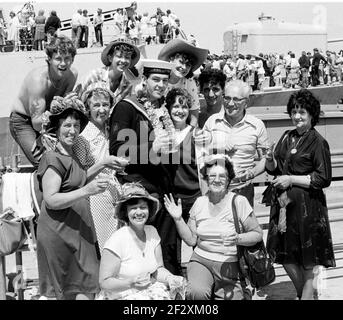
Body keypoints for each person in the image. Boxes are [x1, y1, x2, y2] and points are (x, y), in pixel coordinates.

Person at [36, 95, 124, 300]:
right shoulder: (52, 158)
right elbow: (51, 199)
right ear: (56, 129)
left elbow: (82, 177)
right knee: (72, 292)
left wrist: (104, 163)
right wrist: (88, 191)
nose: (73, 131)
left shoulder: (70, 156)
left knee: (87, 289)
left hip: (78, 232)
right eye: (67, 126)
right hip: (59, 234)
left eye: (76, 125)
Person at [109, 59, 181, 274]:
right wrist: (152, 146)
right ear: (144, 80)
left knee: (167, 251)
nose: (160, 85)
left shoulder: (163, 110)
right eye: (155, 79)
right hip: (140, 191)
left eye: (164, 81)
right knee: (141, 253)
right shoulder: (126, 107)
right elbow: (117, 149)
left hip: (164, 190)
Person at [264, 89, 336, 300]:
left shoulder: (318, 142)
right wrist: (269, 158)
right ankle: (305, 293)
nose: (297, 116)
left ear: (312, 114)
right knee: (286, 256)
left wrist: (291, 179)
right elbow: (274, 169)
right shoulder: (287, 136)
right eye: (294, 111)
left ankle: (305, 296)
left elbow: (323, 178)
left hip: (308, 209)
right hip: (285, 207)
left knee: (308, 258)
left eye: (302, 112)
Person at [164, 154, 263, 300]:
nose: (217, 180)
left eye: (222, 176)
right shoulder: (199, 202)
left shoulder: (239, 201)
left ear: (229, 179)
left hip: (231, 263)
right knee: (196, 293)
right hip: (201, 260)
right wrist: (178, 219)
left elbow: (257, 234)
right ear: (206, 179)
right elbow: (191, 240)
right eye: (212, 176)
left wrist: (238, 238)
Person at [98, 182, 185, 300]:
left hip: (148, 290)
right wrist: (130, 283)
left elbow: (158, 270)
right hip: (122, 294)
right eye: (133, 208)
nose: (139, 212)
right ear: (126, 212)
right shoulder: (117, 240)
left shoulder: (152, 232)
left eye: (143, 207)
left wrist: (170, 278)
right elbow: (104, 282)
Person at [73, 81, 129, 252]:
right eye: (96, 105)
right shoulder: (83, 137)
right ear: (88, 108)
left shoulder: (110, 130)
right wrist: (103, 163)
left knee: (120, 242)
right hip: (96, 195)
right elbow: (79, 177)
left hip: (115, 190)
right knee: (106, 245)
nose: (102, 109)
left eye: (105, 104)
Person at [9, 35, 78, 168]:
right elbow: (36, 124)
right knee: (47, 165)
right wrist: (43, 137)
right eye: (58, 59)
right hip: (24, 121)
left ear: (72, 59)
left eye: (67, 59)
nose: (63, 63)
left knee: (69, 162)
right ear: (49, 60)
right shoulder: (38, 81)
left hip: (49, 120)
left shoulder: (72, 75)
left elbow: (63, 110)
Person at [202, 80, 270, 207]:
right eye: (227, 98)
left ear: (246, 102)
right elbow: (199, 154)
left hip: (242, 191)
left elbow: (265, 158)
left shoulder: (257, 126)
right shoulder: (212, 122)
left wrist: (252, 173)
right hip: (214, 190)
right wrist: (217, 149)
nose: (230, 103)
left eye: (236, 99)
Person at [164, 88, 201, 272]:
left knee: (198, 243)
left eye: (184, 107)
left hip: (194, 196)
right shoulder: (162, 134)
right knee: (171, 248)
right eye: (176, 106)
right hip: (172, 198)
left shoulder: (196, 134)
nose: (180, 110)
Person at [158, 38, 209, 127]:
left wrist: (189, 133)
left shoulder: (189, 82)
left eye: (188, 65)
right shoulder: (159, 78)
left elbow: (194, 112)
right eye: (181, 62)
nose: (184, 67)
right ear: (171, 59)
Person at [81, 40, 140, 105]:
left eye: (127, 57)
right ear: (110, 58)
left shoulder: (127, 86)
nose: (123, 61)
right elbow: (78, 96)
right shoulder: (95, 76)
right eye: (119, 56)